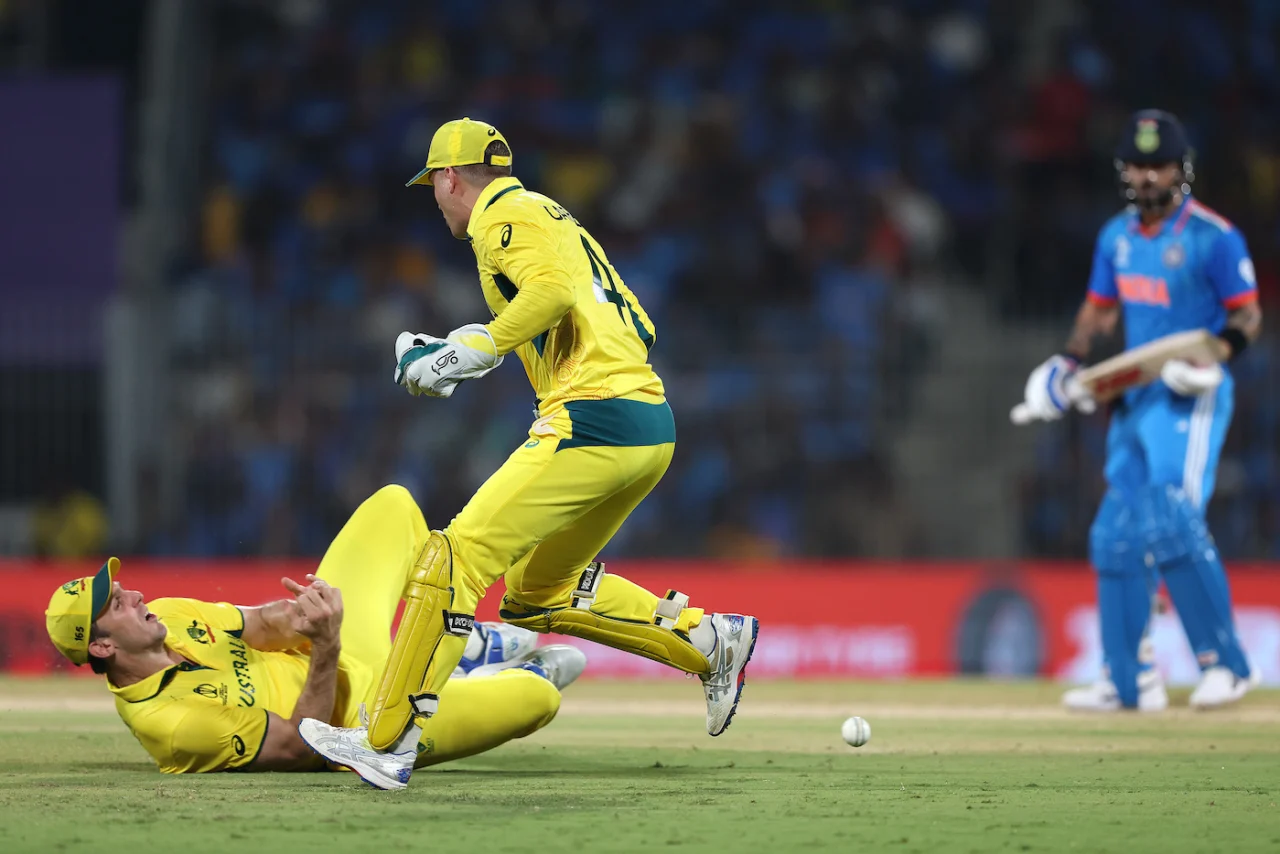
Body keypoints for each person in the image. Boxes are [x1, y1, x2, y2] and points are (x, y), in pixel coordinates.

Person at [300, 118, 759, 786]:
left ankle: (388, 738)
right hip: (647, 425)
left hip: (592, 420)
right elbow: (636, 321)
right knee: (536, 591)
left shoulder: (501, 219)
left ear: (450, 178)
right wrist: (462, 345)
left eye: (434, 185)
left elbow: (549, 295)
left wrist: (476, 349)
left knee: (453, 557)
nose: (435, 199)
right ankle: (709, 642)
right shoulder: (551, 216)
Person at [44, 485, 587, 789]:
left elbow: (258, 623)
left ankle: (447, 651)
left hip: (342, 650)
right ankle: (451, 665)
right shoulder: (175, 726)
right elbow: (306, 747)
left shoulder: (168, 612)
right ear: (101, 648)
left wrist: (304, 616)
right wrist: (324, 645)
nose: (134, 596)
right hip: (363, 724)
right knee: (537, 697)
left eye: (121, 589)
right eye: (116, 604)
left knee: (394, 506)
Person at [1015, 110, 1263, 711]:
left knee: (1170, 516)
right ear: (1124, 169)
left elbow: (1247, 316)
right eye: (1139, 166)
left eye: (1160, 166)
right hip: (1134, 396)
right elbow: (1099, 311)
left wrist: (1213, 357)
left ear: (1182, 169)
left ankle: (1227, 666)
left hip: (1192, 392)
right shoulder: (1116, 238)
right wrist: (1068, 363)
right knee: (1114, 535)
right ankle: (1129, 682)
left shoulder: (1213, 235)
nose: (1149, 177)